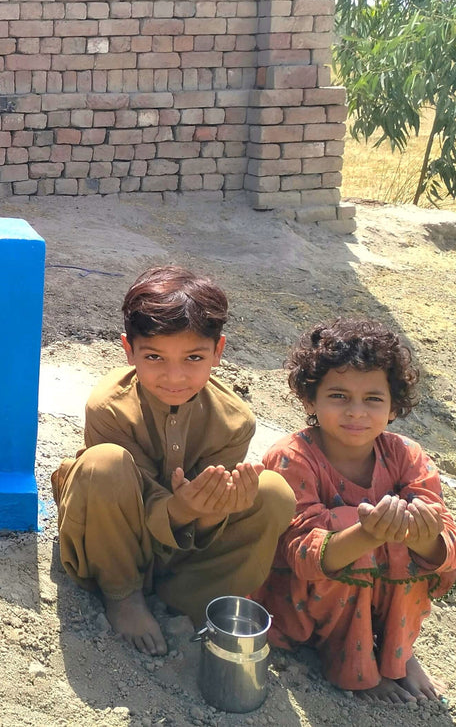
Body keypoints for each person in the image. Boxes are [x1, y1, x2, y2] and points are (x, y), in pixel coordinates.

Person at [51, 265, 295, 655]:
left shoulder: (234, 421)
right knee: (104, 464)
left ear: (218, 352)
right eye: (155, 357)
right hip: (116, 534)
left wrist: (214, 510)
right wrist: (180, 508)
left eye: (193, 357)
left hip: (184, 549)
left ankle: (193, 599)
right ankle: (123, 594)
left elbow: (208, 513)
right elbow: (124, 501)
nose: (174, 376)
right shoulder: (109, 408)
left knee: (273, 492)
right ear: (129, 351)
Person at [253, 318, 456, 704]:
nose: (356, 412)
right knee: (359, 540)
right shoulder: (291, 458)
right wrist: (367, 534)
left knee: (411, 543)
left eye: (373, 399)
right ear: (310, 400)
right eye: (339, 396)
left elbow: (445, 552)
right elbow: (302, 556)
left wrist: (425, 535)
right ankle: (355, 667)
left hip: (381, 593)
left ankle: (398, 653)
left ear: (394, 406)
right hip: (301, 600)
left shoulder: (406, 456)